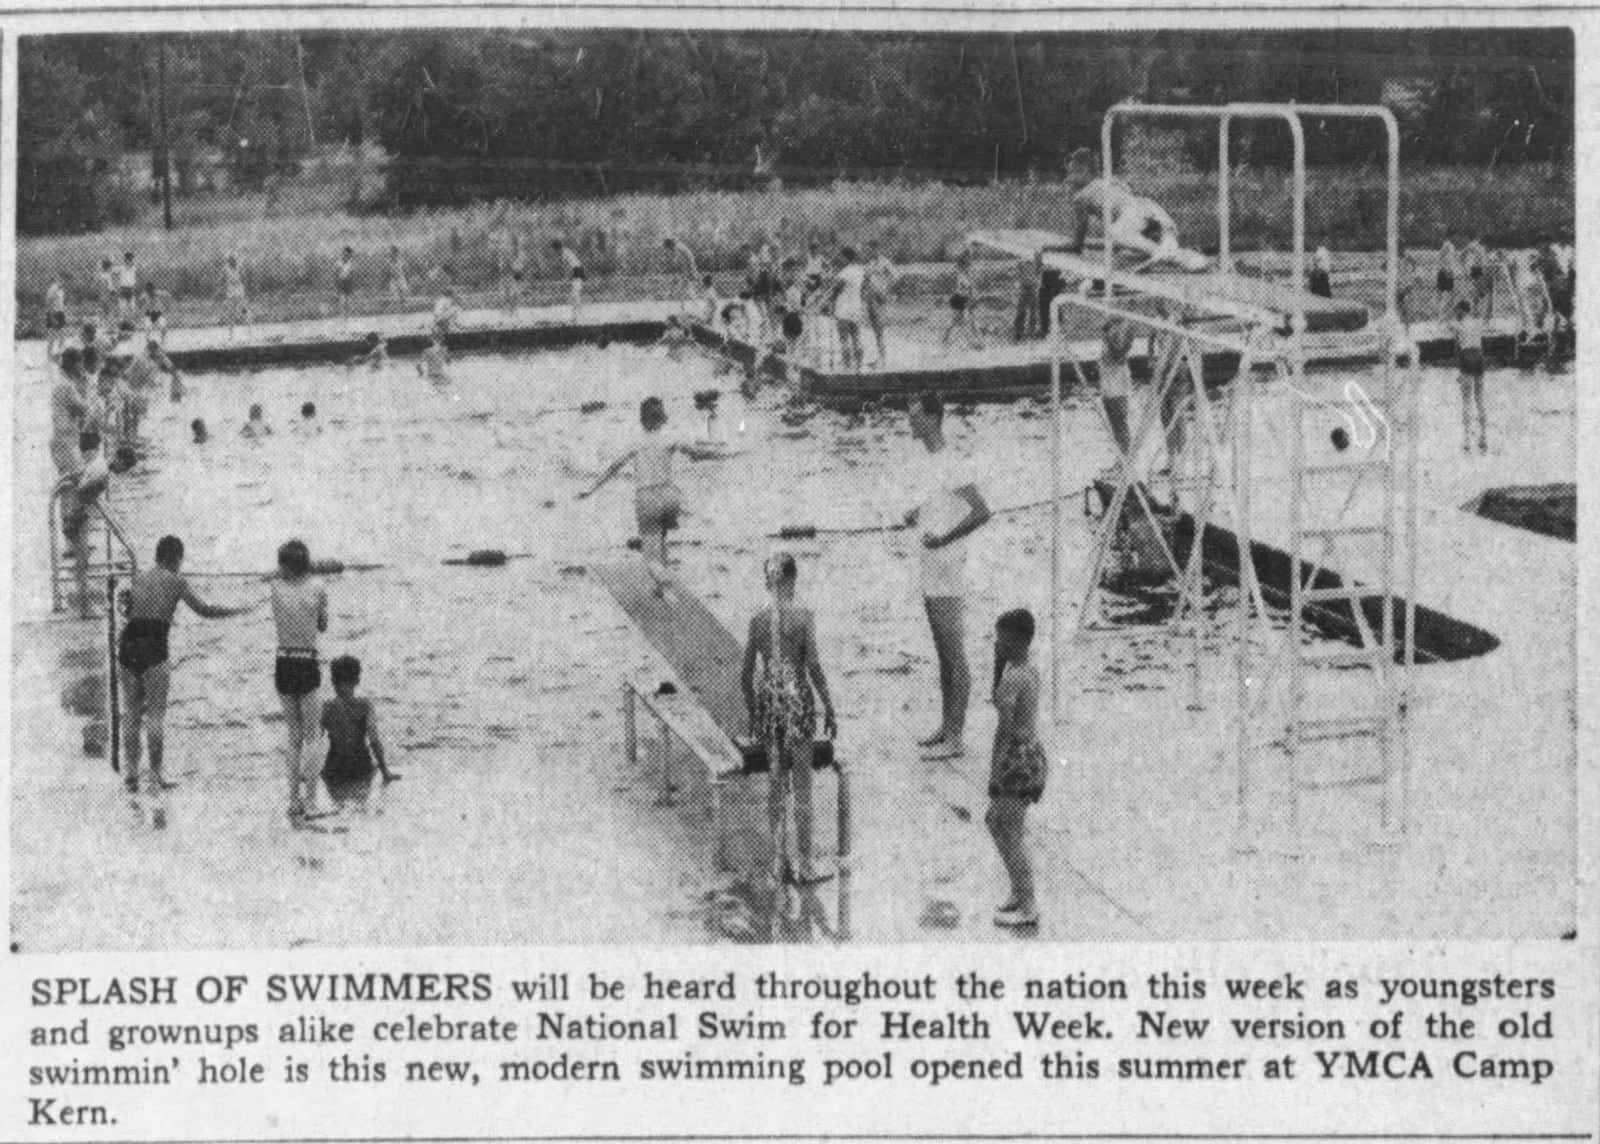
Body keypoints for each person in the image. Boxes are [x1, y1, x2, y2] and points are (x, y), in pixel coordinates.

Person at [116, 536, 253, 803]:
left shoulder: (138, 577)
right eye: (181, 559)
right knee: (155, 714)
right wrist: (237, 611)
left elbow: (126, 608)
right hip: (154, 645)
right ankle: (156, 775)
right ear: (175, 558)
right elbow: (205, 610)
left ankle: (131, 773)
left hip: (128, 644)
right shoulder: (177, 581)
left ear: (157, 556)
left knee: (131, 713)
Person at [903, 393, 991, 759]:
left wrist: (943, 539)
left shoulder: (952, 461)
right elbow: (940, 503)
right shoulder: (932, 461)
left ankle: (956, 737)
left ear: (933, 418)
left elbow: (982, 511)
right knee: (942, 652)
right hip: (931, 563)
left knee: (954, 653)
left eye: (915, 416)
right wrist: (918, 514)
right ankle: (946, 724)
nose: (910, 423)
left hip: (947, 565)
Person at [741, 553, 838, 886]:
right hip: (797, 700)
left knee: (775, 783)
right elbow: (813, 667)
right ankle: (806, 865)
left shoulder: (757, 620)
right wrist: (829, 705)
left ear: (767, 582)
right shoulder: (803, 617)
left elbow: (745, 675)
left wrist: (755, 714)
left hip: (770, 700)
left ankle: (778, 861)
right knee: (803, 786)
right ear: (793, 580)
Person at [579, 396, 716, 592]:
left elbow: (613, 468)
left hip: (648, 499)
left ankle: (665, 582)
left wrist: (590, 489)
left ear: (642, 419)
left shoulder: (636, 442)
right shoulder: (671, 437)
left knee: (651, 559)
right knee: (660, 539)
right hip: (671, 496)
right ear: (663, 418)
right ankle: (662, 587)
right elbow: (697, 453)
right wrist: (727, 454)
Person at [985, 608, 1046, 929]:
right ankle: (1019, 891)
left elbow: (1003, 731)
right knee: (997, 822)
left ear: (1011, 642)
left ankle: (1029, 903)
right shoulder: (1029, 671)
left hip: (1016, 759)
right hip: (1032, 754)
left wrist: (995, 772)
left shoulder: (1012, 678)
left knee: (1008, 830)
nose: (996, 645)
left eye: (1000, 641)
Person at [272, 539, 329, 826]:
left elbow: (277, 578)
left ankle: (293, 801)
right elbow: (322, 625)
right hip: (306, 660)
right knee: (312, 736)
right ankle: (311, 802)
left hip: (283, 661)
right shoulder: (318, 587)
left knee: (293, 736)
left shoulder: (275, 587)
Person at [320, 655, 398, 810]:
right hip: (360, 767)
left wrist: (307, 773)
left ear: (333, 682)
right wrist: (385, 771)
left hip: (334, 769)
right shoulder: (364, 705)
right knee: (369, 777)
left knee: (336, 799)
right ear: (357, 681)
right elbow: (374, 740)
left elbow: (313, 741)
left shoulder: (326, 707)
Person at [1451, 299, 1488, 454]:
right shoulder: (1478, 323)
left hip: (1466, 357)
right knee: (1479, 398)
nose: (1455, 313)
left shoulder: (1456, 326)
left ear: (1461, 311)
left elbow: (1458, 350)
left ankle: (1466, 438)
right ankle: (1483, 436)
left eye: (1457, 311)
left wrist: (1459, 372)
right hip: (1479, 357)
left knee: (1466, 400)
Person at [1099, 316, 1136, 456]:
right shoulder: (1107, 345)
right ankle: (1119, 459)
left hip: (1118, 391)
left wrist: (1110, 337)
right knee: (1115, 427)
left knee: (1120, 425)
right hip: (1108, 390)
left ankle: (1125, 459)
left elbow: (1119, 355)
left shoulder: (1119, 351)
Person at [50, 349, 89, 477]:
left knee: (67, 480)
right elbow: (83, 409)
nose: (82, 367)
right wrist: (84, 386)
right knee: (76, 479)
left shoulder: (60, 380)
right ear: (75, 364)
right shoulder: (67, 385)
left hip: (60, 437)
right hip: (66, 440)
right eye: (81, 363)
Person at [831, 247, 868, 372]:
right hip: (856, 306)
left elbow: (837, 289)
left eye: (841, 257)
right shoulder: (860, 270)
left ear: (846, 258)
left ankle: (847, 367)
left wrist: (831, 301)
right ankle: (858, 366)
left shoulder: (844, 272)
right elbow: (864, 287)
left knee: (844, 339)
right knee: (856, 337)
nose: (839, 259)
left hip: (843, 307)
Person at [864, 240, 897, 365]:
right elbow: (866, 280)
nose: (869, 252)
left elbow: (895, 276)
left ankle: (883, 358)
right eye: (868, 249)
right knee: (875, 329)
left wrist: (886, 288)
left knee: (880, 328)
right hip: (871, 298)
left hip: (880, 298)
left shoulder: (885, 262)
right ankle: (879, 356)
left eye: (871, 249)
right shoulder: (870, 263)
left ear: (877, 249)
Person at [941, 252, 977, 349]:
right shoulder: (959, 275)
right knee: (961, 321)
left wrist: (971, 296)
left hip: (964, 299)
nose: (969, 266)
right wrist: (969, 294)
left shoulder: (967, 274)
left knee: (966, 321)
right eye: (967, 264)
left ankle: (970, 342)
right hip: (959, 299)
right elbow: (961, 288)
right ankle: (947, 340)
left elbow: (969, 289)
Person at [552, 239, 586, 320]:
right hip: (576, 271)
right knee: (574, 294)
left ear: (557, 248)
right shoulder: (564, 252)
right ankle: (579, 314)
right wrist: (566, 278)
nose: (555, 252)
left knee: (575, 294)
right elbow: (567, 268)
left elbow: (569, 267)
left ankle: (579, 315)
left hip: (578, 271)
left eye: (555, 250)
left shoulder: (564, 253)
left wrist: (565, 279)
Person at [1012, 254, 1042, 342]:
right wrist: (1018, 284)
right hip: (1024, 287)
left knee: (1033, 311)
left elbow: (1039, 271)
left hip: (1033, 287)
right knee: (1021, 310)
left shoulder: (1036, 260)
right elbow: (1017, 274)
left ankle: (1032, 333)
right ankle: (1018, 333)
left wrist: (1037, 283)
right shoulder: (1021, 262)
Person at [224, 253, 250, 332]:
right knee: (231, 311)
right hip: (231, 291)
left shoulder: (240, 268)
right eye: (230, 260)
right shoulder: (226, 269)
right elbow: (223, 279)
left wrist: (245, 291)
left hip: (239, 290)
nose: (232, 262)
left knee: (243, 309)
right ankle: (231, 331)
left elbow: (244, 279)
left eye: (233, 260)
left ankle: (248, 328)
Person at [45, 275, 68, 359]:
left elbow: (60, 302)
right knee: (52, 335)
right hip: (53, 313)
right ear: (59, 279)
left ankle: (59, 353)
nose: (64, 282)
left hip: (60, 313)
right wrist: (52, 316)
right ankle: (49, 354)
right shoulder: (53, 289)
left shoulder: (61, 289)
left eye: (65, 281)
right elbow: (48, 302)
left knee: (62, 335)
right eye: (63, 280)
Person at [142, 282, 167, 348]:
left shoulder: (157, 293)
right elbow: (141, 299)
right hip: (149, 314)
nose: (149, 292)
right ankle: (148, 341)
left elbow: (166, 294)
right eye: (147, 290)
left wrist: (162, 296)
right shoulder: (145, 295)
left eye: (150, 290)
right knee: (148, 328)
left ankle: (163, 340)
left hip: (158, 314)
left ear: (153, 289)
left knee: (163, 326)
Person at [117, 252, 138, 322]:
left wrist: (135, 286)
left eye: (131, 259)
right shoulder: (121, 268)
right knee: (123, 307)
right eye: (129, 259)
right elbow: (113, 274)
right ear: (126, 260)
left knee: (132, 307)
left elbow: (135, 278)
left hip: (131, 288)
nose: (131, 260)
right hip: (123, 288)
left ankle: (131, 322)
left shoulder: (134, 268)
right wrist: (116, 286)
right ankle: (121, 322)